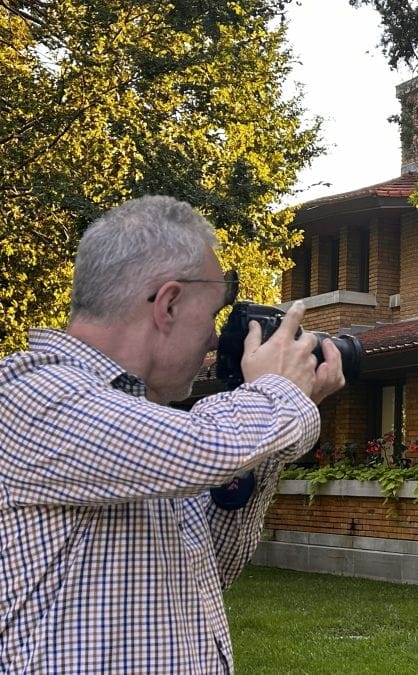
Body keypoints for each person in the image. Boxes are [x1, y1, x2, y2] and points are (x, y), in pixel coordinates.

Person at [0, 195, 345, 673]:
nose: (212, 338)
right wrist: (278, 391)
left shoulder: (144, 425)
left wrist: (262, 451)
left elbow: (203, 575)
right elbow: (208, 447)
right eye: (212, 316)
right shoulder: (31, 395)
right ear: (168, 304)